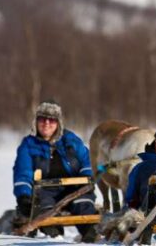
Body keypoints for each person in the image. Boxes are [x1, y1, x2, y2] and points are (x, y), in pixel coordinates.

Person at [12, 100, 97, 242]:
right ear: (36, 122)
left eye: (51, 120)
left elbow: (87, 161)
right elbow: (23, 172)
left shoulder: (71, 140)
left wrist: (86, 179)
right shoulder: (28, 145)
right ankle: (54, 240)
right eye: (42, 119)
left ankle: (91, 238)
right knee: (48, 218)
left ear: (58, 123)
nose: (46, 123)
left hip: (75, 188)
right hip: (44, 192)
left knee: (85, 207)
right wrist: (24, 195)